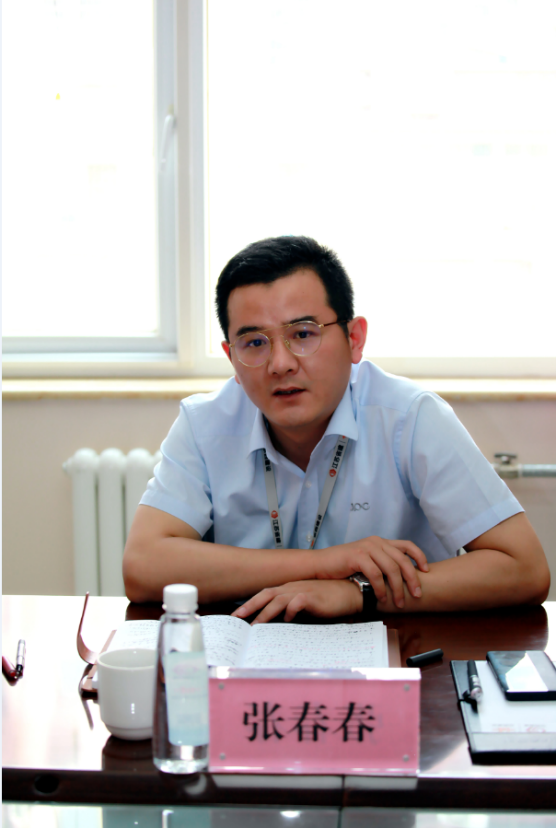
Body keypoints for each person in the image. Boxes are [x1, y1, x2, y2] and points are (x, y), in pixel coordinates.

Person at [123, 236, 550, 621]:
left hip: (398, 655)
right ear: (231, 357)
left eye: (303, 334)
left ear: (354, 339)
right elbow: (143, 567)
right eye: (254, 343)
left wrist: (357, 593)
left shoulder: (410, 417)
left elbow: (524, 569)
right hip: (250, 657)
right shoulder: (204, 425)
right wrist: (327, 563)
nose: (280, 364)